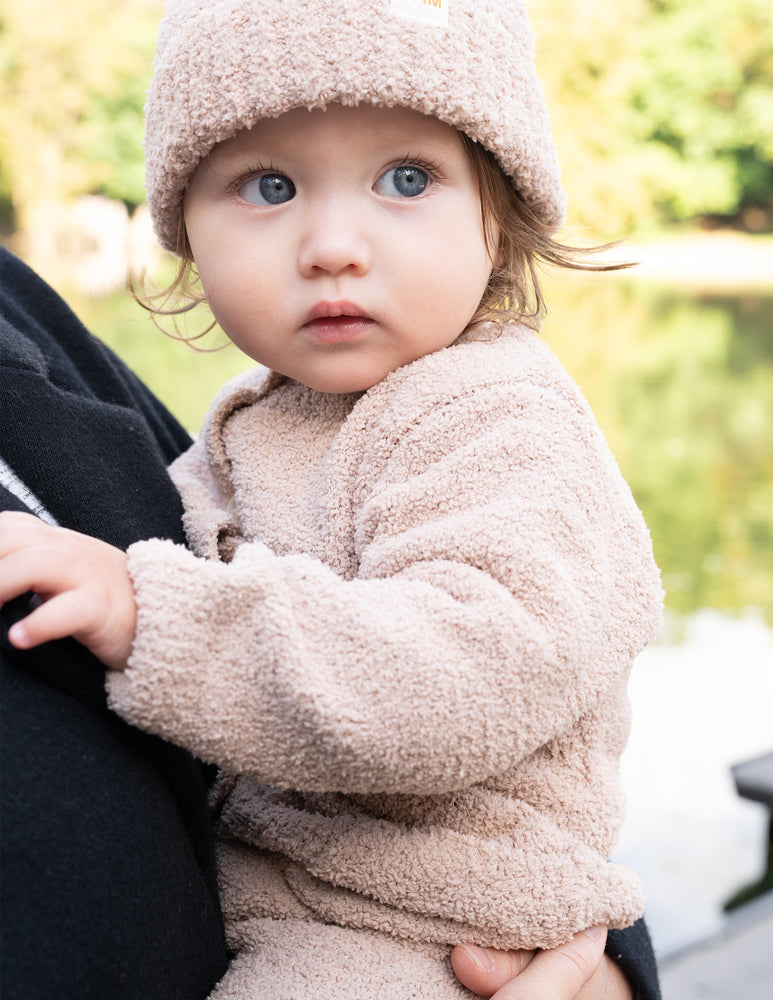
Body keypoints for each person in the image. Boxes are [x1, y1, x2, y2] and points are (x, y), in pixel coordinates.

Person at [0, 1, 664, 997]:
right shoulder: (255, 420)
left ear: (503, 213)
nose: (333, 245)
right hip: (288, 898)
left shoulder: (495, 416)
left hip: (426, 919)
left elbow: (462, 678)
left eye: (407, 179)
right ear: (186, 233)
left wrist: (153, 614)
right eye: (269, 186)